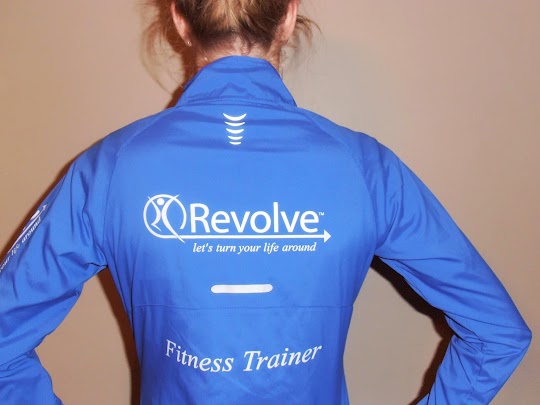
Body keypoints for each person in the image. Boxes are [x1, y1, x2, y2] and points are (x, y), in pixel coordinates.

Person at [0, 0, 531, 404]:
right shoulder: (366, 168)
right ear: (289, 18)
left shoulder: (109, 168)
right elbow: (498, 333)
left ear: (180, 20)